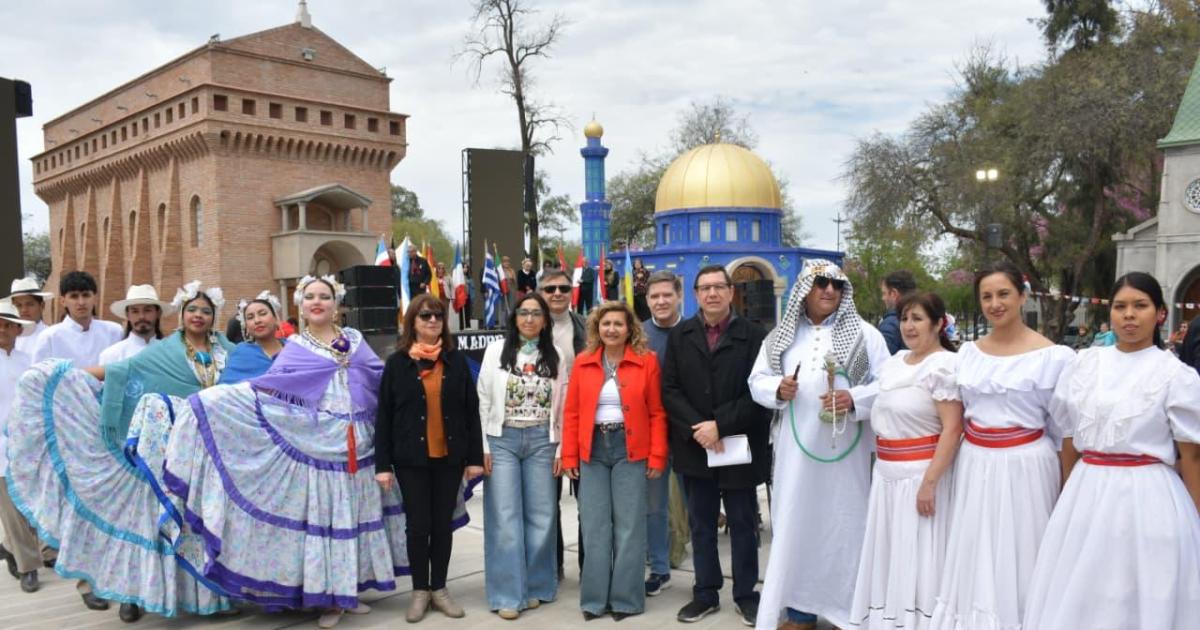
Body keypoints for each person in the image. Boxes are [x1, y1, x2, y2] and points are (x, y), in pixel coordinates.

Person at [162, 275, 473, 628]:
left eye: (324, 296)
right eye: (310, 296)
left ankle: (348, 591)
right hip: (319, 445)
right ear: (301, 305)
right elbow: (270, 391)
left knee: (354, 518)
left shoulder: (354, 340)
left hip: (360, 444)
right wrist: (214, 401)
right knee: (328, 520)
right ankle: (329, 599)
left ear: (336, 304)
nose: (317, 302)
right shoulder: (295, 347)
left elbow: (380, 386)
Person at [7, 281, 236, 622]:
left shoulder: (228, 352)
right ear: (181, 315)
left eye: (205, 310)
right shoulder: (163, 352)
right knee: (150, 522)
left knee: (201, 520)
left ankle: (208, 595)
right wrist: (61, 377)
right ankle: (133, 594)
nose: (198, 315)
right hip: (159, 451)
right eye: (192, 310)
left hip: (213, 451)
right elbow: (120, 373)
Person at [1023, 272, 1200, 628]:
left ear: (1160, 314)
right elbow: (1069, 438)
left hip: (1149, 497)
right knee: (1084, 590)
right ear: (1111, 313)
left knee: (1140, 589)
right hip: (1087, 493)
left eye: (1140, 306)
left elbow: (1192, 456)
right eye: (1120, 306)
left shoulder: (1177, 375)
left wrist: (1196, 517)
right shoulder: (1085, 364)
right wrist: (1068, 492)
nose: (1129, 315)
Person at [928, 260, 1075, 630]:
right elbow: (956, 418)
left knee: (1024, 547)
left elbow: (1063, 431)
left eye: (1003, 294)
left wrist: (1065, 483)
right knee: (977, 547)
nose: (995, 303)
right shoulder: (967, 356)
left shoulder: (1054, 358)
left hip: (1028, 464)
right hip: (977, 462)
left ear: (1022, 296)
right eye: (987, 296)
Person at [749, 259, 890, 629]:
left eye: (837, 285)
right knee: (796, 523)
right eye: (821, 283)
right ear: (804, 290)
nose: (830, 290)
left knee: (845, 525)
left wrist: (854, 399)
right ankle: (799, 611)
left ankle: (850, 612)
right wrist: (777, 389)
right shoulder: (781, 336)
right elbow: (757, 380)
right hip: (796, 457)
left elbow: (889, 385)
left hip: (847, 457)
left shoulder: (865, 335)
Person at [663, 264, 773, 626]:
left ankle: (745, 594)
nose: (712, 294)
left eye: (718, 287)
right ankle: (705, 593)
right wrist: (700, 428)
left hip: (739, 445)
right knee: (701, 525)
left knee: (743, 523)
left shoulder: (754, 335)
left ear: (730, 292)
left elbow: (758, 393)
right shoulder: (681, 336)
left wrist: (720, 425)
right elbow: (671, 390)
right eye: (704, 288)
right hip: (695, 446)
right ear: (695, 294)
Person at [848, 291, 963, 630]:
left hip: (921, 479)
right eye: (905, 319)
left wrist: (929, 483)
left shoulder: (943, 366)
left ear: (938, 324)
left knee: (922, 560)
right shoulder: (895, 361)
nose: (910, 326)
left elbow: (953, 428)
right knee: (893, 556)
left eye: (918, 319)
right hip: (887, 478)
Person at [376, 294, 484, 622]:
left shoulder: (456, 361)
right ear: (413, 322)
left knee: (442, 526)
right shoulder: (397, 363)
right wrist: (383, 465)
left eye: (438, 316)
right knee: (417, 527)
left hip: (449, 457)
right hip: (411, 459)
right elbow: (384, 416)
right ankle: (420, 591)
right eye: (425, 316)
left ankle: (440, 588)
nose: (433, 321)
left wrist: (474, 458)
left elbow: (471, 411)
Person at [563, 301, 668, 621]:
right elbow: (572, 413)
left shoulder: (646, 362)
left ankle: (625, 599)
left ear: (629, 329)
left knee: (629, 527)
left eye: (618, 324)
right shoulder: (583, 362)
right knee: (594, 527)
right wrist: (569, 455)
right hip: (592, 450)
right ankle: (594, 600)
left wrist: (657, 454)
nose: (611, 329)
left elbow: (657, 412)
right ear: (597, 327)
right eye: (605, 323)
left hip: (630, 449)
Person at [476, 292, 568, 620]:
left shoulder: (555, 354)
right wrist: (483, 446)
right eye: (524, 313)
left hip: (544, 441)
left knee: (542, 516)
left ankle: (537, 586)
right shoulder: (495, 351)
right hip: (502, 441)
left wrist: (562, 445)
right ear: (514, 318)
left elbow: (564, 404)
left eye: (536, 314)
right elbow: (483, 398)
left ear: (545, 320)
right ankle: (506, 594)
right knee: (504, 517)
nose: (529, 319)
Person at [539, 268, 588, 576]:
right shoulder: (526, 328)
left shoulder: (587, 327)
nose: (557, 293)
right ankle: (552, 566)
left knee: (589, 503)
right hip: (545, 429)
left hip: (584, 425)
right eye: (550, 289)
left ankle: (590, 566)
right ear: (540, 293)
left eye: (563, 288)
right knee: (546, 503)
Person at [641, 271, 685, 596]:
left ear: (679, 295)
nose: (661, 301)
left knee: (698, 505)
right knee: (654, 507)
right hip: (653, 435)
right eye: (655, 296)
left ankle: (706, 575)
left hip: (692, 434)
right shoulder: (638, 336)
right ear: (647, 300)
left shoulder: (695, 332)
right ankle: (659, 568)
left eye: (667, 295)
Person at [0, 301, 37, 594]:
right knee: (11, 509)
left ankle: (12, 548)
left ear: (16, 328)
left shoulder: (28, 361)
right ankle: (28, 568)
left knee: (32, 504)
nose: (3, 328)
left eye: (7, 324)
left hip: (28, 442)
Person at [30, 270, 123, 366]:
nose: (81, 302)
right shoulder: (50, 337)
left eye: (86, 295)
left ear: (95, 298)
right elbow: (39, 377)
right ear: (63, 301)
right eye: (74, 296)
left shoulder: (114, 332)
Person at [220, 291, 286, 385]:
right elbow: (226, 391)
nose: (257, 320)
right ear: (246, 327)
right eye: (250, 317)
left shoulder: (294, 349)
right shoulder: (241, 354)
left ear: (276, 319)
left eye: (263, 314)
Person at [98, 285, 171, 366]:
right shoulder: (111, 356)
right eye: (135, 311)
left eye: (147, 310)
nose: (141, 316)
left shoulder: (171, 355)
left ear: (158, 313)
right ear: (127, 315)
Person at [7, 277, 52, 353]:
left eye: (30, 304)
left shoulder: (51, 336)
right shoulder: (6, 337)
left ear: (42, 306)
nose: (24, 310)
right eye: (18, 305)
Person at [878, 270, 917, 355]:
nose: (883, 298)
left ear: (894, 294)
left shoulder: (890, 324)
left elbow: (881, 362)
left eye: (884, 293)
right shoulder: (927, 321)